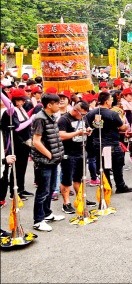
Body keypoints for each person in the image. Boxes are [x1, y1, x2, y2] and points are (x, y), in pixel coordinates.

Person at [31, 93, 66, 232]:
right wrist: (49, 154)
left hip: (52, 160)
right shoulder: (40, 118)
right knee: (43, 191)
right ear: (49, 105)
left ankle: (47, 213)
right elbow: (36, 141)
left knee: (50, 189)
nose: (59, 105)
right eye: (57, 103)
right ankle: (38, 220)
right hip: (44, 161)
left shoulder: (51, 117)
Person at [86, 91, 132, 193]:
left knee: (103, 167)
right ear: (107, 102)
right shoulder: (113, 114)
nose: (111, 102)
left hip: (97, 143)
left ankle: (107, 186)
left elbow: (89, 126)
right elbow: (122, 127)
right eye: (111, 100)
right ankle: (120, 186)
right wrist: (125, 123)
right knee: (117, 166)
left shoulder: (91, 113)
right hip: (112, 143)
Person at [57, 100, 95, 214]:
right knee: (67, 178)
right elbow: (61, 135)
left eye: (84, 114)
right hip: (68, 152)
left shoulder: (83, 118)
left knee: (79, 177)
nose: (83, 116)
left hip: (81, 151)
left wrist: (88, 130)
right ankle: (66, 203)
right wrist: (77, 133)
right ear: (75, 110)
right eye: (82, 114)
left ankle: (81, 197)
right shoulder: (64, 119)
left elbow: (88, 127)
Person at [0, 88, 33, 202]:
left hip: (24, 144)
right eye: (19, 100)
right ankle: (12, 193)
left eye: (23, 100)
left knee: (22, 168)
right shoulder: (11, 110)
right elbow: (18, 128)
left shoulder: (21, 109)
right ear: (14, 100)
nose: (22, 102)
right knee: (13, 169)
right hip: (14, 144)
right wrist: (31, 119)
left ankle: (21, 189)